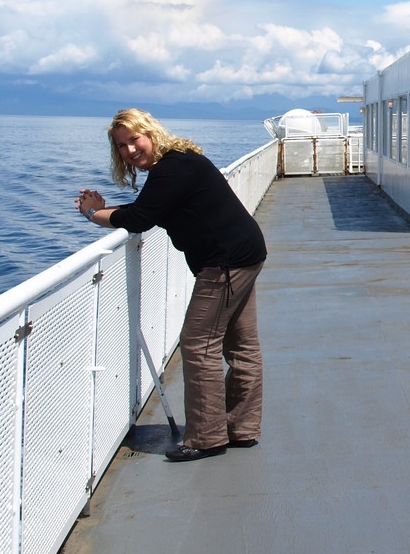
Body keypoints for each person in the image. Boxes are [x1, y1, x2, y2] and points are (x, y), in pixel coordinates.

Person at [76, 108, 268, 463]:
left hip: (224, 263)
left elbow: (139, 218)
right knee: (241, 347)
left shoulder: (171, 169)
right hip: (245, 254)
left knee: (199, 344)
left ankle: (208, 438)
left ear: (150, 134)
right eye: (121, 146)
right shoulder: (179, 161)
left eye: (135, 139)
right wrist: (108, 210)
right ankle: (241, 428)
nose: (130, 150)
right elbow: (152, 208)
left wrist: (91, 213)